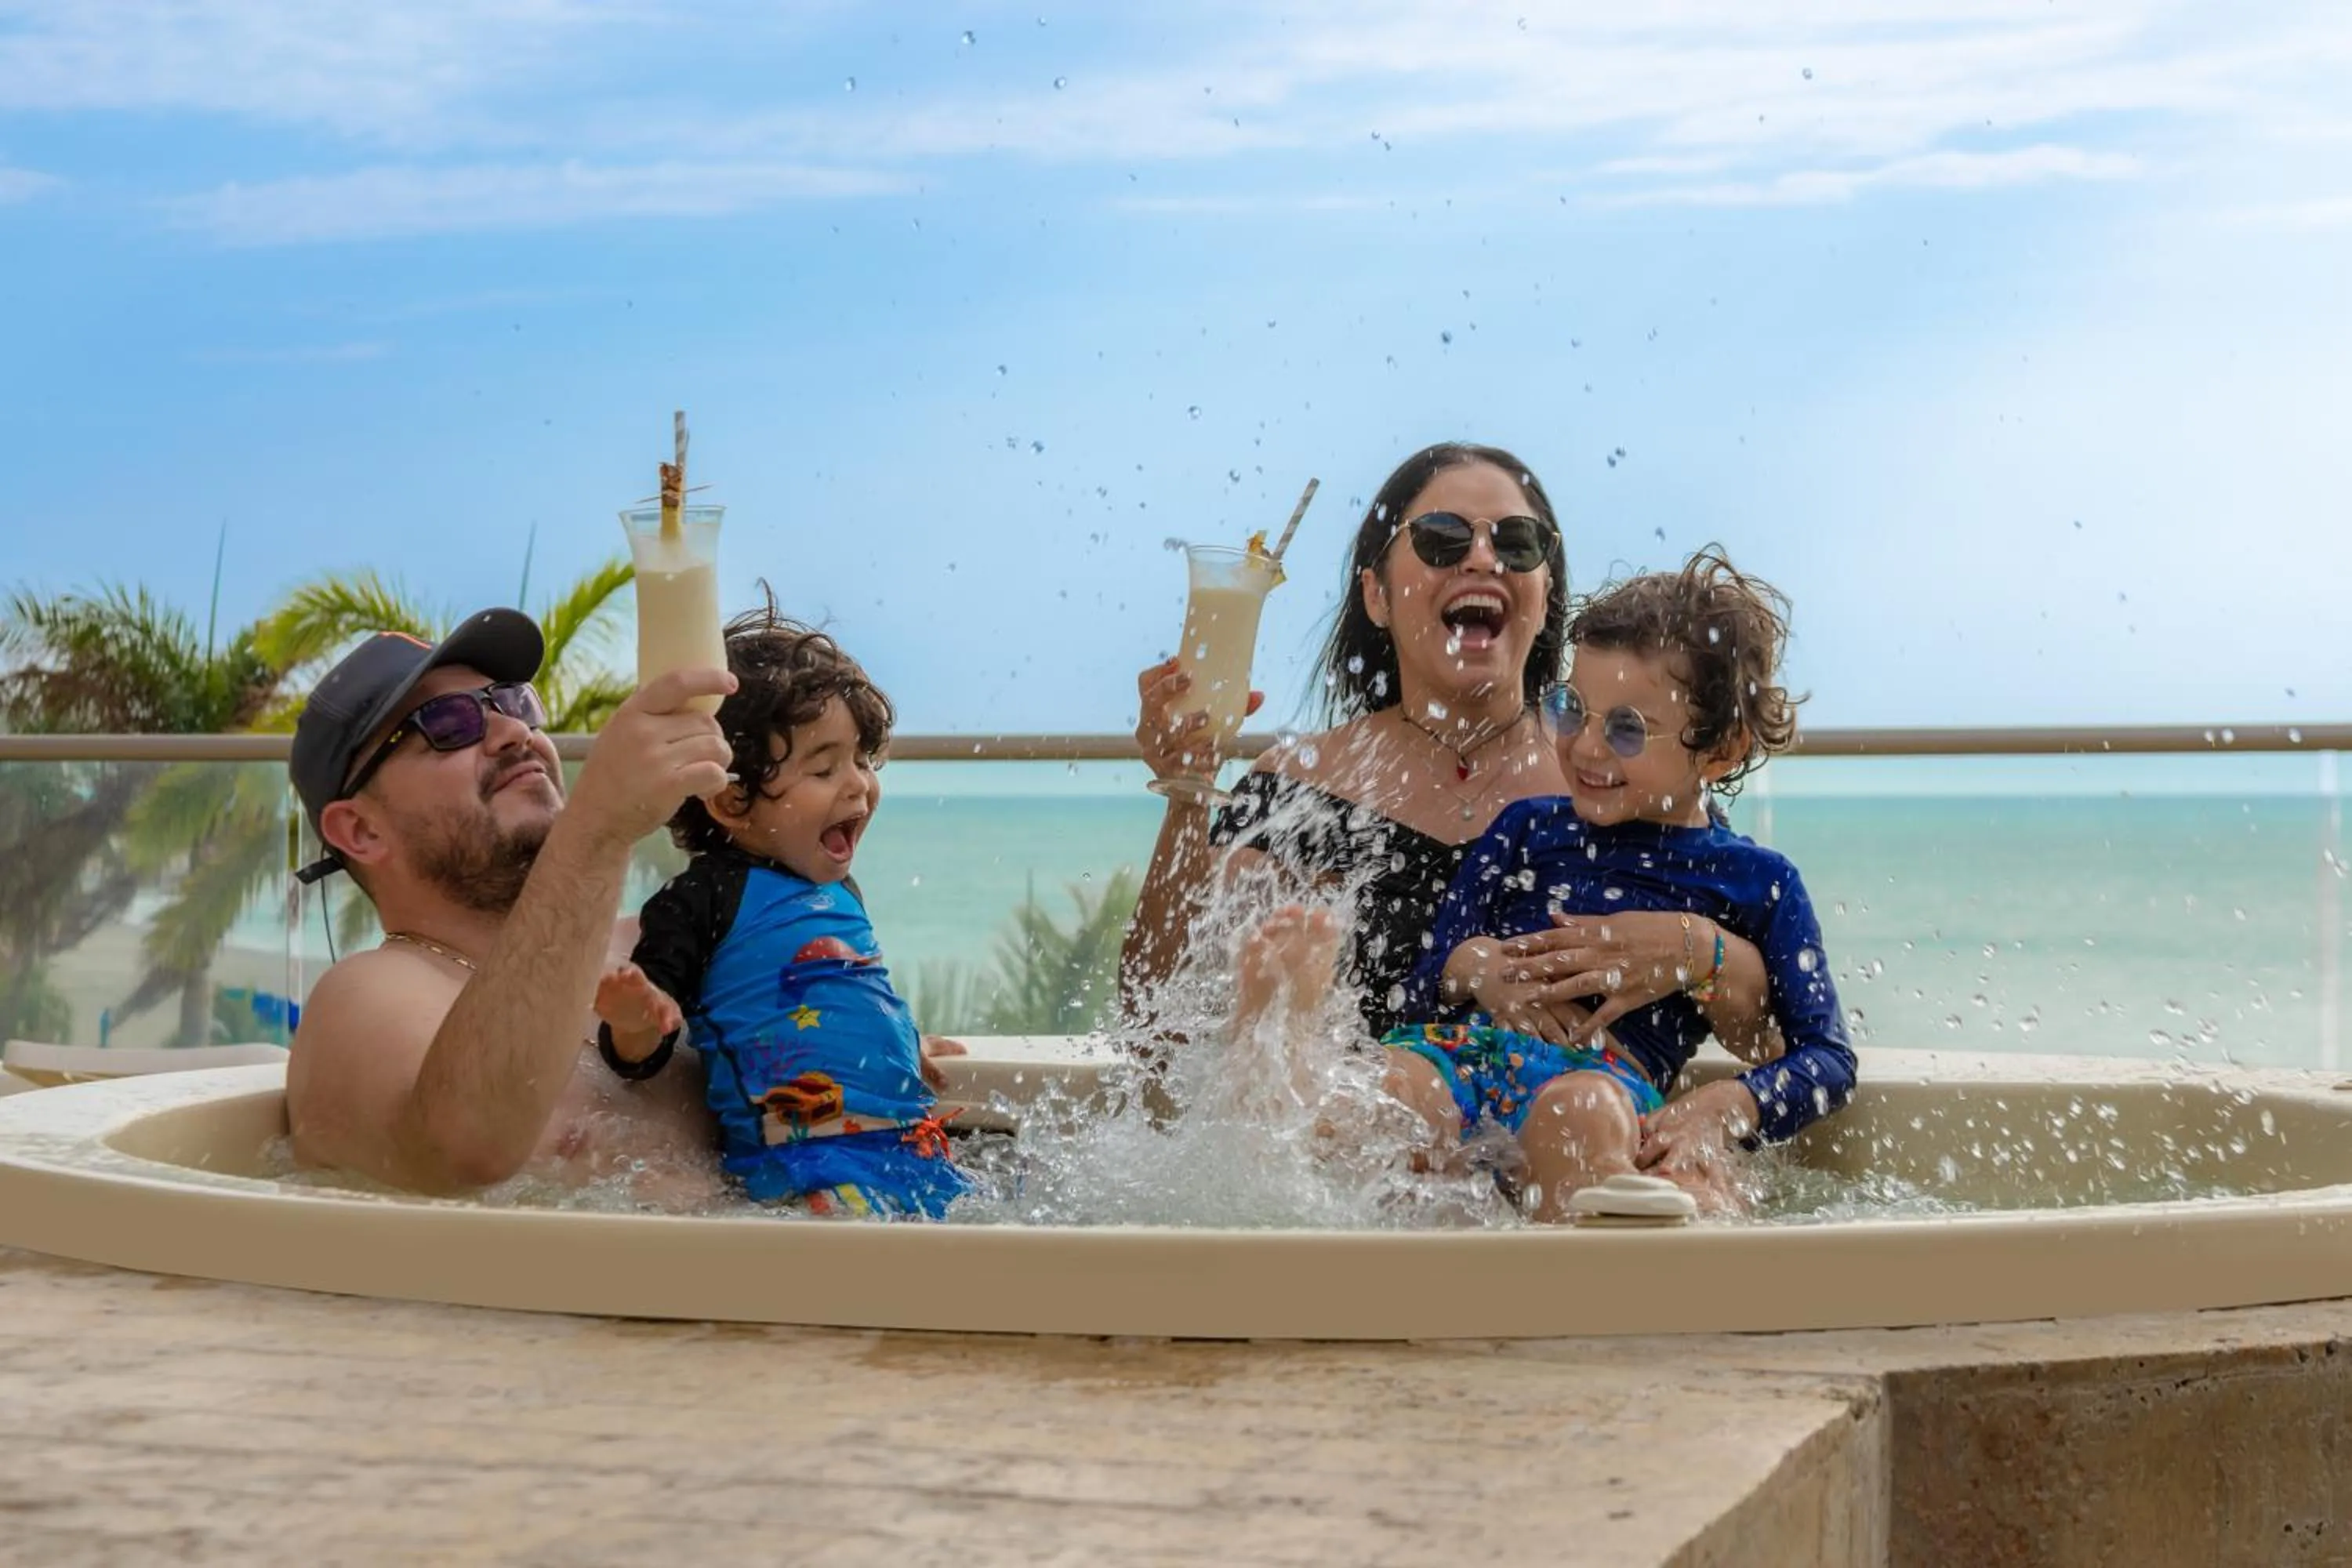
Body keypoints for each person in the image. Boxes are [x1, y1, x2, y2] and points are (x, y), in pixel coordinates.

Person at [1236, 550, 1859, 1218]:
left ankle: (1593, 1238)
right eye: (1571, 709)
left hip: (1601, 1082)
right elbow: (1423, 987)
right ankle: (1282, 1058)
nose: (1586, 747)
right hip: (1464, 1054)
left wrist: (1730, 1104)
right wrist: (1474, 968)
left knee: (1578, 1118)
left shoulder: (1756, 881)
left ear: (1720, 750)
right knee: (1394, 1089)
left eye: (1627, 729)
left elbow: (1827, 1059)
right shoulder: (1526, 828)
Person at [1119, 441, 1783, 1064]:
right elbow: (1157, 1024)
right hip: (1350, 1139)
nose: (1484, 559)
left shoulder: (1620, 779)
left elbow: (1773, 1038)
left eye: (1517, 543)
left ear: (1546, 597)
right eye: (1442, 538)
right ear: (1376, 595)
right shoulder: (1300, 790)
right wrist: (1188, 790)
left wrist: (1699, 949)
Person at [284, 610, 737, 1197]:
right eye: (448, 723)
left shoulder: (667, 948)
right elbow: (463, 1153)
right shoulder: (364, 997)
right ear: (361, 830)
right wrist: (599, 829)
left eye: (514, 702)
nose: (513, 732)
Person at [591, 603, 971, 1219]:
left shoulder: (842, 894)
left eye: (862, 761)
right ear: (732, 801)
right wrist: (635, 1020)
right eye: (824, 768)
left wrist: (900, 1037)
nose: (858, 784)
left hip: (908, 1149)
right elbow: (638, 1053)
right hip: (803, 1166)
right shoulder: (701, 900)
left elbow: (846, 989)